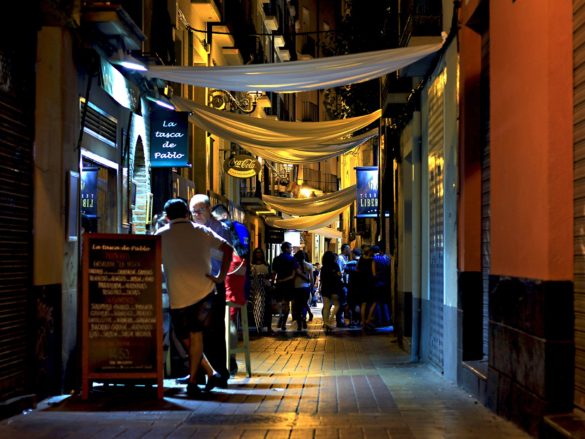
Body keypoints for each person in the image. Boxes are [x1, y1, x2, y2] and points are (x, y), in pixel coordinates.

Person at [155, 198, 233, 398]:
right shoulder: (202, 232)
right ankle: (210, 372)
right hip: (204, 292)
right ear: (187, 214)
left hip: (177, 295)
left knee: (186, 338)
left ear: (167, 217)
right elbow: (228, 249)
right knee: (195, 336)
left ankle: (193, 381)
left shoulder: (160, 235)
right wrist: (221, 276)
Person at [189, 194, 232, 384]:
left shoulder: (220, 229)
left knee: (214, 329)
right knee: (197, 330)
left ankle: (220, 371)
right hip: (196, 284)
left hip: (214, 283)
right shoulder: (193, 230)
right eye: (193, 212)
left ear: (209, 210)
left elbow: (223, 254)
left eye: (200, 211)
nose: (196, 215)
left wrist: (220, 277)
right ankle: (198, 372)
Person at [211, 203, 251, 376]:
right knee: (232, 319)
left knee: (226, 320)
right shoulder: (241, 235)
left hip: (224, 282)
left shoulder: (221, 239)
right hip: (238, 285)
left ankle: (227, 360)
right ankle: (230, 360)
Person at [271, 241, 298, 331]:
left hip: (279, 283)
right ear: (286, 248)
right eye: (290, 248)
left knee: (280, 303)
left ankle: (281, 318)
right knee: (286, 304)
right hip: (289, 284)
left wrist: (273, 283)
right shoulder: (292, 259)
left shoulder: (276, 259)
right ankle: (283, 322)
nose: (292, 249)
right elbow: (294, 274)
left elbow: (274, 273)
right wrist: (285, 279)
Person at [250, 247, 273, 335]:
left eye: (260, 252)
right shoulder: (252, 265)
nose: (258, 254)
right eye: (257, 252)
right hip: (256, 288)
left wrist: (265, 276)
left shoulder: (266, 265)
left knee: (267, 307)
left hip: (265, 287)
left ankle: (269, 327)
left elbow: (270, 276)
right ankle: (258, 327)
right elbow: (250, 276)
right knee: (257, 307)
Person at [320, 250, 343, 331]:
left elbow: (322, 279)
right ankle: (330, 320)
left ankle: (326, 323)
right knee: (337, 305)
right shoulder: (335, 265)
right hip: (334, 287)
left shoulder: (323, 268)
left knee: (326, 307)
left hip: (325, 288)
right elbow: (339, 275)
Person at [292, 250, 313, 331]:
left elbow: (293, 277)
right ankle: (304, 317)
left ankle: (299, 325)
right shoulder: (309, 265)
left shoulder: (295, 266)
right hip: (306, 288)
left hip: (297, 287)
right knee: (304, 304)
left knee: (297, 307)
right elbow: (312, 278)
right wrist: (311, 288)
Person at [344, 248, 362, 327]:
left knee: (351, 304)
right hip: (360, 286)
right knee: (359, 304)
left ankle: (351, 321)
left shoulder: (349, 263)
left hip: (351, 286)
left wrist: (345, 284)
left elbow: (345, 275)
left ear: (354, 254)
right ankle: (358, 321)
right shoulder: (363, 263)